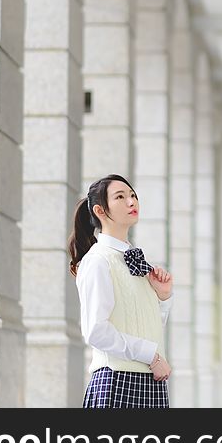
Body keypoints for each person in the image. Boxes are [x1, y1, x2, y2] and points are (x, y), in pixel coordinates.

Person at [68, 173, 174, 408]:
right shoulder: (98, 261)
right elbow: (96, 331)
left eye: (133, 195)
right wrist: (152, 356)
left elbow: (146, 328)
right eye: (120, 196)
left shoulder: (135, 260)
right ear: (100, 211)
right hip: (118, 382)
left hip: (148, 382)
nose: (131, 201)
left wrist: (163, 298)